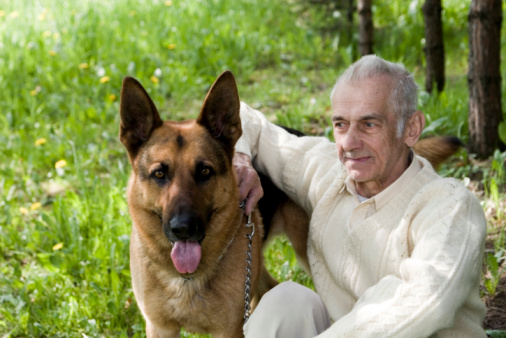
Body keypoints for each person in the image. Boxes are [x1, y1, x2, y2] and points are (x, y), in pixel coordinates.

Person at [233, 55, 487, 337]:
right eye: (340, 124)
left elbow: (423, 303)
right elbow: (245, 118)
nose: (349, 144)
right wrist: (241, 159)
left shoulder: (450, 207)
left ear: (412, 129)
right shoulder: (328, 174)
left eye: (369, 124)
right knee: (286, 301)